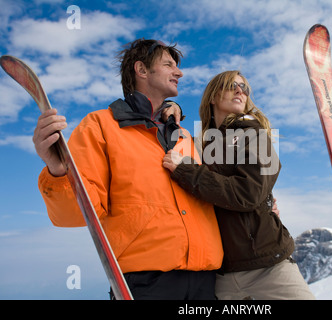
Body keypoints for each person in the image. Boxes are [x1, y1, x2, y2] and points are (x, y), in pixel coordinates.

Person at [34, 39, 224, 300]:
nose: (179, 73)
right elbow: (78, 214)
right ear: (142, 70)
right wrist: (58, 172)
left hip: (207, 279)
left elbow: (210, 194)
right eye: (169, 65)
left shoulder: (184, 137)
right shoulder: (100, 125)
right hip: (147, 282)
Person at [163, 70, 315, 300]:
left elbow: (248, 193)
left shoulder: (257, 135)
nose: (239, 90)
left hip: (268, 266)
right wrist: (170, 107)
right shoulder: (200, 145)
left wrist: (186, 171)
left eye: (244, 87)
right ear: (213, 97)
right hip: (219, 274)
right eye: (231, 85)